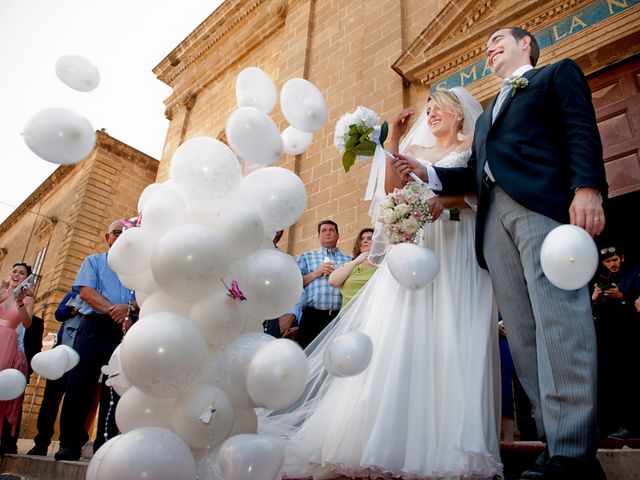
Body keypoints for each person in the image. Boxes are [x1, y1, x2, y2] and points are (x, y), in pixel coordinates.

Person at [393, 27, 608, 479]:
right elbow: (473, 174)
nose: (489, 49)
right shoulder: (489, 116)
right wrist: (423, 170)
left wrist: (586, 188)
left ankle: (574, 454)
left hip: (539, 207)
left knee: (559, 320)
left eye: (497, 41)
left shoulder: (554, 76)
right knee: (525, 334)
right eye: (486, 46)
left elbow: (580, 130)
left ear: (525, 44)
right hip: (492, 223)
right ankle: (554, 443)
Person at [260, 87, 501, 479]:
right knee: (404, 334)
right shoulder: (417, 151)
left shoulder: (477, 142)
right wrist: (393, 142)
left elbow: (481, 186)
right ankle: (387, 439)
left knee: (455, 332)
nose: (432, 113)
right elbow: (394, 190)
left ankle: (449, 445)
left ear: (460, 114)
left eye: (440, 108)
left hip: (456, 247)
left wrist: (446, 202)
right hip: (418, 249)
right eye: (428, 108)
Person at [55, 220, 138, 461]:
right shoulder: (94, 261)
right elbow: (86, 292)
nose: (122, 237)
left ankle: (106, 444)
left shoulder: (137, 269)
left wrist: (129, 308)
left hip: (124, 330)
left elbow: (141, 298)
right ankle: (69, 443)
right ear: (107, 237)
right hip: (93, 327)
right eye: (117, 233)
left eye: (128, 234)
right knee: (80, 384)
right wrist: (115, 309)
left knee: (116, 387)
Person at [590, 246, 640, 441]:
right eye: (608, 261)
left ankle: (632, 426)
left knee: (630, 381)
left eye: (614, 260)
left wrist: (622, 298)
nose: (612, 264)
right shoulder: (600, 282)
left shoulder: (634, 276)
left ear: (622, 258)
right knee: (610, 382)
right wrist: (594, 299)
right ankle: (611, 426)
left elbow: (636, 306)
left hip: (630, 338)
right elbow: (592, 315)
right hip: (607, 340)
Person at [27, 288, 85, 456]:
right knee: (50, 401)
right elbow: (58, 314)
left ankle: (67, 443)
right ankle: (42, 441)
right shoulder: (73, 294)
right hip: (61, 354)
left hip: (81, 358)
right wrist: (72, 310)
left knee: (74, 402)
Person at [291, 220, 351, 349]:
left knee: (336, 357)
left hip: (339, 317)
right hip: (312, 317)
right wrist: (317, 273)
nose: (328, 232)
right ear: (318, 236)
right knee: (308, 356)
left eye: (331, 230)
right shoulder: (306, 257)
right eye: (324, 230)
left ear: (338, 235)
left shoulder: (349, 260)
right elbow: (294, 284)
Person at [0, 263, 35, 456]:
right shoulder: (2, 291)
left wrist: (20, 302)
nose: (16, 275)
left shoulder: (28, 299)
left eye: (21, 273)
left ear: (26, 278)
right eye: (14, 271)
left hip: (7, 342)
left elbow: (27, 323)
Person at [328, 227, 377, 307]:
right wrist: (356, 261)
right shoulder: (350, 265)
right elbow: (333, 282)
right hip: (349, 317)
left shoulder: (382, 267)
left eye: (369, 238)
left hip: (373, 315)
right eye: (362, 239)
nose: (364, 241)